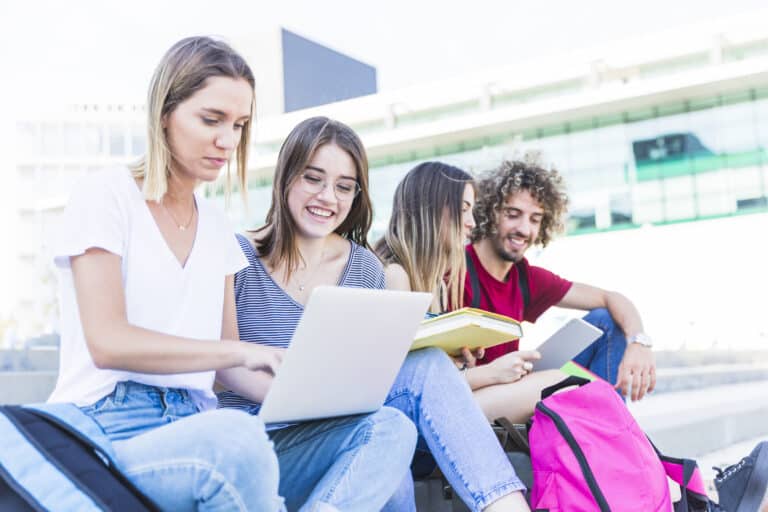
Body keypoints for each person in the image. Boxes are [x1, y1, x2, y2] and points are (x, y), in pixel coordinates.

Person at [47, 36, 412, 512]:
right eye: (211, 119)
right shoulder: (106, 195)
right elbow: (108, 342)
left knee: (387, 426)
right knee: (235, 436)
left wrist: (315, 398)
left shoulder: (215, 225)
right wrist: (240, 350)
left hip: (204, 427)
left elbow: (229, 369)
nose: (227, 141)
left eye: (239, 125)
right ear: (165, 112)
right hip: (112, 424)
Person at [220, 116, 533, 512]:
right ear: (286, 178)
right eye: (313, 179)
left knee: (422, 378)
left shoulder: (366, 268)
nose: (327, 198)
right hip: (261, 442)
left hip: (344, 429)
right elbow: (222, 368)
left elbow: (370, 373)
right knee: (390, 447)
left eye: (343, 187)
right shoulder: (236, 254)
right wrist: (299, 396)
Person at [466, 158, 656, 416]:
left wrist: (639, 343)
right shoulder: (457, 269)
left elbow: (611, 298)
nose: (524, 229)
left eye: (535, 219)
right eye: (513, 214)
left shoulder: (526, 277)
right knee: (575, 388)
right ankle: (610, 434)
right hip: (477, 397)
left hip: (516, 384)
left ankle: (609, 433)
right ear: (489, 212)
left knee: (605, 323)